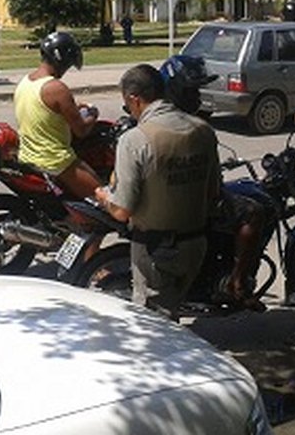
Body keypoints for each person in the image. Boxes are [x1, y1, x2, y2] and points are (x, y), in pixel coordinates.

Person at [94, 64, 220, 319]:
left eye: (127, 104)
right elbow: (212, 193)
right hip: (195, 245)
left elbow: (122, 210)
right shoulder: (203, 130)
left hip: (156, 251)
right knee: (173, 311)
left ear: (134, 99)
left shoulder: (135, 140)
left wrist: (103, 197)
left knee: (155, 329)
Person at [160, 54, 267, 311]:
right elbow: (212, 182)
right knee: (254, 212)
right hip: (190, 204)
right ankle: (236, 282)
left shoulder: (149, 120)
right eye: (192, 90)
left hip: (162, 202)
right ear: (177, 91)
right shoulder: (197, 128)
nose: (197, 96)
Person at [14, 31, 100, 199]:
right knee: (105, 198)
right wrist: (93, 115)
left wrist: (72, 108)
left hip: (28, 157)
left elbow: (43, 113)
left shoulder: (25, 82)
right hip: (55, 161)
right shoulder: (56, 88)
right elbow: (81, 131)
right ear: (63, 61)